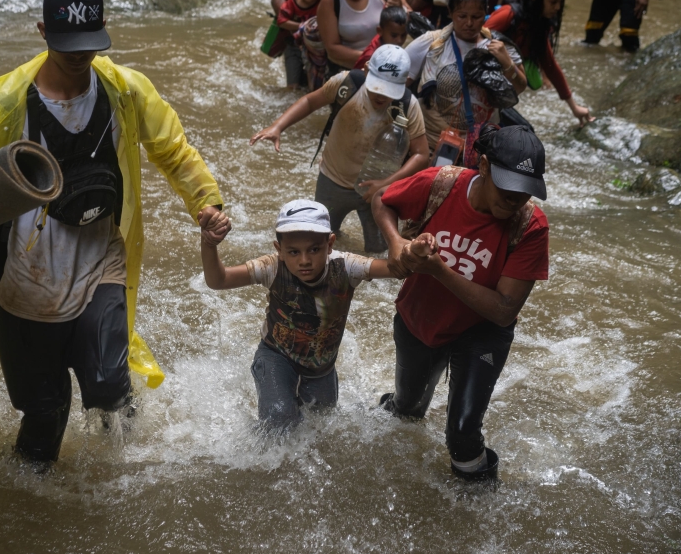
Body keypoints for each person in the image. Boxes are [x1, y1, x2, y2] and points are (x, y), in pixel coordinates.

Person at [0, 0, 228, 463]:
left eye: (90, 45)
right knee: (43, 418)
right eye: (67, 45)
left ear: (105, 30)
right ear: (42, 31)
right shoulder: (3, 103)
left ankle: (132, 473)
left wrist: (205, 201)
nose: (79, 56)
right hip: (24, 280)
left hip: (100, 265)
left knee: (110, 388)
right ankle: (28, 513)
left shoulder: (125, 92)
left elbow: (172, 149)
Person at [372, 124, 550, 480]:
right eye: (508, 189)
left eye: (524, 192)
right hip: (422, 316)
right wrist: (396, 246)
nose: (515, 201)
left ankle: (479, 502)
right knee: (408, 408)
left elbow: (503, 309)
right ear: (483, 166)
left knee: (463, 432)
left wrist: (439, 270)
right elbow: (382, 199)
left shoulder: (531, 226)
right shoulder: (441, 184)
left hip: (481, 331)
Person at [200, 200, 397, 431]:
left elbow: (396, 268)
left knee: (322, 427)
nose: (304, 260)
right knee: (279, 421)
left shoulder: (346, 267)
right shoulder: (272, 267)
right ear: (279, 250)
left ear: (330, 243)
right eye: (293, 252)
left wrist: (409, 247)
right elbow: (218, 280)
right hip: (276, 356)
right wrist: (209, 243)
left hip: (321, 367)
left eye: (314, 249)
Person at [251, 44, 428, 253]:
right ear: (365, 71)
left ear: (405, 83)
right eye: (377, 87)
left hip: (377, 192)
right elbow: (309, 101)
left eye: (390, 91)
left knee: (380, 252)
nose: (381, 96)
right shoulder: (346, 84)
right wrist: (278, 126)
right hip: (332, 182)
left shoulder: (408, 105)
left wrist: (386, 183)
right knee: (321, 241)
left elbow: (421, 154)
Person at [404, 0, 526, 166]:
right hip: (431, 145)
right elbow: (399, 82)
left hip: (480, 147)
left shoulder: (500, 46)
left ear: (485, 13)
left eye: (476, 16)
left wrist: (507, 63)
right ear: (450, 12)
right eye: (462, 16)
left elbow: (520, 87)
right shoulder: (431, 43)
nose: (469, 23)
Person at [485, 0, 594, 127]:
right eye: (553, 1)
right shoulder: (508, 15)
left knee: (524, 130)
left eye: (560, 2)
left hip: (499, 91)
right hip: (482, 86)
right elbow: (475, 38)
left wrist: (574, 108)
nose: (557, 7)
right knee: (524, 130)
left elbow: (552, 69)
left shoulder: (540, 28)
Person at [276, 0, 323, 90]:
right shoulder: (293, 1)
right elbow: (281, 20)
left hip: (314, 50)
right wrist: (303, 26)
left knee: (313, 88)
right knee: (292, 87)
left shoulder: (323, 3)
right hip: (293, 47)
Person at [354, 6, 408, 70]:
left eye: (403, 35)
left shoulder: (387, 38)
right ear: (380, 31)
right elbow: (357, 75)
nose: (399, 40)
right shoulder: (370, 57)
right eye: (394, 35)